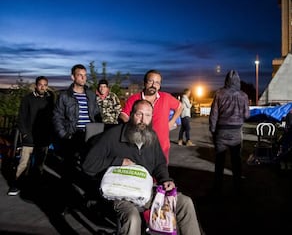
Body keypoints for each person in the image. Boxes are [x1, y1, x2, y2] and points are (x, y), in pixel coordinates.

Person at [82, 99, 201, 235]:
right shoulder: (112, 135)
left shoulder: (151, 136)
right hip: (120, 194)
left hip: (145, 191)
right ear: (131, 114)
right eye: (139, 114)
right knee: (132, 217)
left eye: (148, 115)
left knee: (185, 203)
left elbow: (159, 164)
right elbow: (88, 164)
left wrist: (165, 179)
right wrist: (118, 161)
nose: (143, 120)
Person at [52, 64, 101, 208]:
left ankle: (89, 199)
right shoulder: (64, 96)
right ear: (73, 77)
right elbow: (57, 117)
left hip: (90, 136)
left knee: (91, 168)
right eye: (80, 75)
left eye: (85, 75)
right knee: (69, 170)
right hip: (72, 136)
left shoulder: (91, 94)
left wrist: (100, 132)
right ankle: (66, 202)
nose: (84, 78)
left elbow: (97, 114)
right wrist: (64, 135)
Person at [119, 70, 182, 162]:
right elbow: (123, 115)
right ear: (145, 83)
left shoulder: (166, 97)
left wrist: (171, 122)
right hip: (140, 146)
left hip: (162, 145)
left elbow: (180, 107)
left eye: (157, 82)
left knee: (161, 174)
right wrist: (132, 126)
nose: (153, 85)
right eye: (150, 81)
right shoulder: (134, 99)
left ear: (160, 85)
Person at [7, 76, 55, 196]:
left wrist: (49, 136)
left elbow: (52, 119)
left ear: (47, 86)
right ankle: (16, 185)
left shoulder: (49, 101)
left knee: (39, 165)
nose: (42, 87)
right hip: (29, 137)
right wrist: (24, 134)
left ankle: (35, 186)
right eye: (40, 84)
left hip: (43, 139)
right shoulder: (27, 99)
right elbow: (21, 118)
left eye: (45, 85)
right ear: (36, 85)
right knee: (24, 163)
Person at [209, 70, 250, 194]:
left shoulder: (219, 94)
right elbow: (247, 115)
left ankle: (217, 188)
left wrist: (213, 130)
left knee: (220, 161)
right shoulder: (243, 96)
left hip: (221, 131)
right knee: (236, 161)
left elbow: (214, 114)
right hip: (236, 132)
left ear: (226, 80)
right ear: (238, 81)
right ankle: (237, 187)